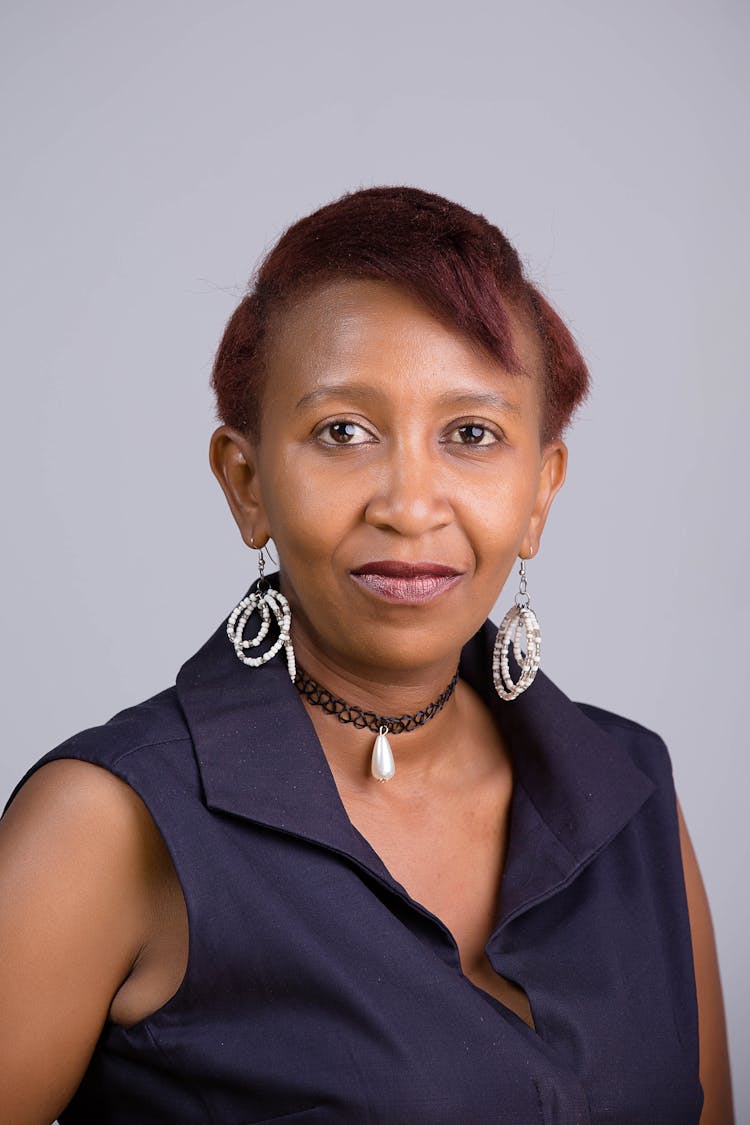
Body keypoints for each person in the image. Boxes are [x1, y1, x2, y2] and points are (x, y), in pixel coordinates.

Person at [0, 186, 733, 1124]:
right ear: (247, 482)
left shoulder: (633, 796)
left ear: (541, 491)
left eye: (472, 435)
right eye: (343, 431)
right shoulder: (111, 823)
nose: (410, 502)